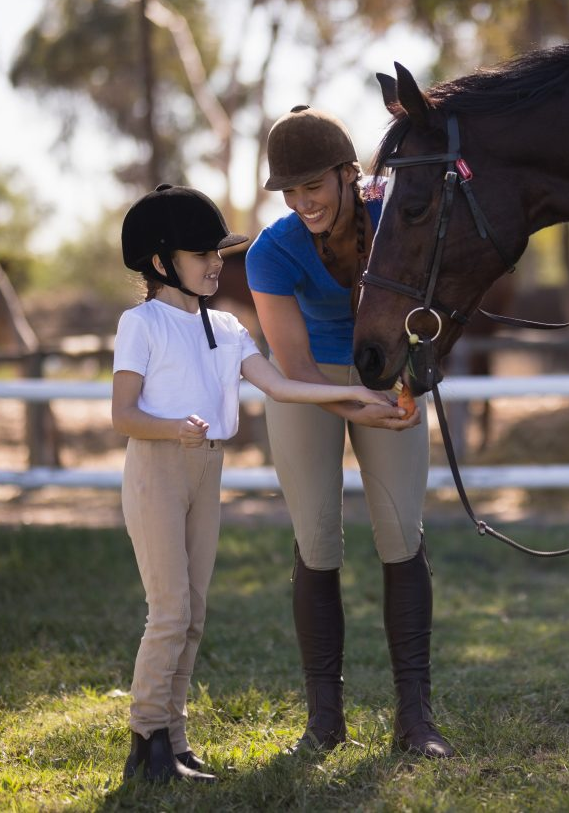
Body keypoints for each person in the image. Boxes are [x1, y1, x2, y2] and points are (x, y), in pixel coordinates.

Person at [113, 183, 402, 784]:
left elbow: (282, 385)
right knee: (169, 610)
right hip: (157, 470)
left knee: (193, 615)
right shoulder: (139, 324)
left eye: (219, 252)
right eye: (204, 254)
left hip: (207, 469)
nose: (218, 263)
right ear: (162, 261)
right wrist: (172, 429)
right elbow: (123, 416)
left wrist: (353, 392)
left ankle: (177, 739)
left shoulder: (227, 328)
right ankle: (146, 739)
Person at [245, 105, 454, 758]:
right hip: (311, 385)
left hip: (384, 369)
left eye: (315, 185)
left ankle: (415, 720)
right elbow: (297, 367)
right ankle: (324, 722)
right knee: (318, 541)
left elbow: (433, 296)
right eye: (291, 191)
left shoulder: (391, 217)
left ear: (347, 174)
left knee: (400, 536)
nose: (304, 202)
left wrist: (408, 381)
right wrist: (354, 406)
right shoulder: (271, 252)